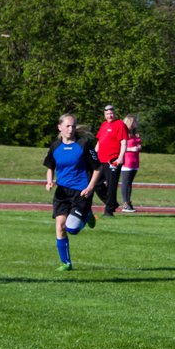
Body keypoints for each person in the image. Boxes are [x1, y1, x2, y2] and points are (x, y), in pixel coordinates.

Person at [44, 114, 101, 271]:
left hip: (81, 192)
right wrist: (49, 181)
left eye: (73, 126)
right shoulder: (55, 146)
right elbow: (50, 166)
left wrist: (90, 187)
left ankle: (88, 214)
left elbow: (98, 167)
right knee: (60, 226)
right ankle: (66, 263)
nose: (71, 129)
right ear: (60, 127)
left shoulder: (83, 144)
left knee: (72, 229)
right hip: (62, 193)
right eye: (67, 126)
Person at [95, 103, 128, 217]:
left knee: (111, 185)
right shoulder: (103, 125)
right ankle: (112, 203)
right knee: (97, 183)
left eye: (111, 113)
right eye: (107, 113)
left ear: (115, 113)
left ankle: (108, 211)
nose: (110, 115)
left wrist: (120, 157)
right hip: (101, 159)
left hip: (113, 159)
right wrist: (94, 153)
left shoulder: (120, 125)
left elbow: (123, 142)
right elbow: (100, 141)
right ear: (104, 115)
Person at [119, 114, 141, 213]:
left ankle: (128, 201)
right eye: (132, 122)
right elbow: (119, 147)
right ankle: (125, 203)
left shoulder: (135, 134)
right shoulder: (123, 133)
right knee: (125, 183)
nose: (134, 124)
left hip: (135, 161)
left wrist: (138, 146)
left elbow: (138, 144)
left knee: (129, 183)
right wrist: (131, 149)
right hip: (126, 162)